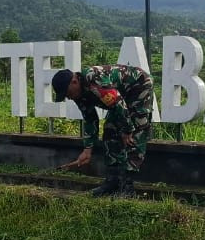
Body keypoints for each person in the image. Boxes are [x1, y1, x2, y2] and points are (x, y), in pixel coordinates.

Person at [53, 64, 154, 198]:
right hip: (119, 97)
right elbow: (90, 119)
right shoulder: (79, 94)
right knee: (110, 132)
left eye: (68, 93)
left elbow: (118, 103)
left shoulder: (93, 79)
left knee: (135, 133)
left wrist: (127, 130)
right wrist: (87, 149)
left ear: (74, 81)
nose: (69, 97)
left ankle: (127, 188)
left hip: (138, 85)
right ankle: (112, 182)